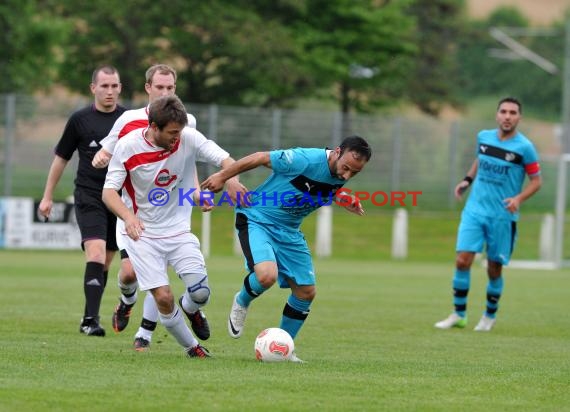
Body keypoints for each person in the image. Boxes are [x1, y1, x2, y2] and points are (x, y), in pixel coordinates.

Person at [200, 135, 372, 362]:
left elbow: (318, 187)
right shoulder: (303, 159)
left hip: (290, 232)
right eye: (346, 168)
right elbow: (261, 157)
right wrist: (224, 176)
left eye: (354, 173)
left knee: (306, 292)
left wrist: (342, 197)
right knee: (266, 276)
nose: (347, 175)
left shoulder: (341, 171)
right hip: (257, 218)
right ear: (337, 152)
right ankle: (242, 300)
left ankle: (285, 347)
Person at [102, 95, 246, 358]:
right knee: (163, 297)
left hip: (178, 229)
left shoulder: (188, 137)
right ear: (154, 127)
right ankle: (193, 348)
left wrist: (231, 180)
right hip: (142, 234)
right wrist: (129, 218)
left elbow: (225, 159)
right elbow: (109, 192)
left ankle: (191, 308)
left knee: (200, 293)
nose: (177, 138)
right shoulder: (128, 147)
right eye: (171, 133)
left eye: (179, 132)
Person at [92, 64, 210, 352]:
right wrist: (101, 157)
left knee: (162, 280)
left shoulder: (186, 122)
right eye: (160, 87)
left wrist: (194, 194)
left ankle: (146, 332)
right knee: (130, 274)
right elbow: (108, 151)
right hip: (133, 213)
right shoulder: (128, 121)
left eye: (170, 88)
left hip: (171, 213)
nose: (166, 92)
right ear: (148, 88)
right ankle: (126, 300)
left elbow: (187, 161)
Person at [435, 97, 542, 332]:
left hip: (502, 216)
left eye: (513, 112)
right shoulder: (484, 137)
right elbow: (480, 160)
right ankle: (458, 314)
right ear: (497, 115)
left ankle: (488, 316)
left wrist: (518, 198)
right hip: (475, 210)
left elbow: (536, 182)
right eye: (503, 111)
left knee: (494, 267)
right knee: (462, 260)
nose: (507, 116)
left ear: (519, 118)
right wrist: (466, 180)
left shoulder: (525, 147)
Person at [38, 65, 126, 336]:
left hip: (118, 198)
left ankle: (90, 315)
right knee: (96, 253)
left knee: (107, 262)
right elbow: (61, 158)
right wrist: (47, 196)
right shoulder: (79, 120)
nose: (109, 91)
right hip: (89, 195)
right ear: (93, 88)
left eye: (114, 86)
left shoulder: (128, 119)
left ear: (120, 88)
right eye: (104, 86)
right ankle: (91, 320)